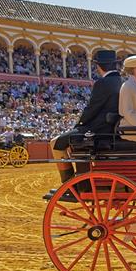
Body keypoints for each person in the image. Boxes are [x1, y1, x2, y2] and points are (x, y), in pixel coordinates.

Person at [49, 49, 123, 185]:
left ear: (98, 66)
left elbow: (91, 109)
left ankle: (68, 184)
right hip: (112, 129)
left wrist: (79, 125)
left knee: (55, 143)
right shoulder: (122, 82)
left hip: (99, 130)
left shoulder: (102, 83)